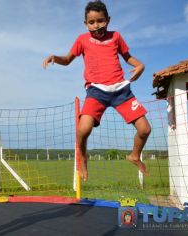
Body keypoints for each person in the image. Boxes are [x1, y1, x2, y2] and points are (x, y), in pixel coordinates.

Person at [43, 0, 151, 181]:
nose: (96, 25)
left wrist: (140, 66)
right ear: (86, 24)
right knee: (83, 129)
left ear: (108, 20)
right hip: (96, 91)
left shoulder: (116, 36)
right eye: (91, 22)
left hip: (121, 90)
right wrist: (56, 57)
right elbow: (68, 59)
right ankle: (83, 157)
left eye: (100, 21)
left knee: (145, 129)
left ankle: (134, 155)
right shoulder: (82, 40)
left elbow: (128, 57)